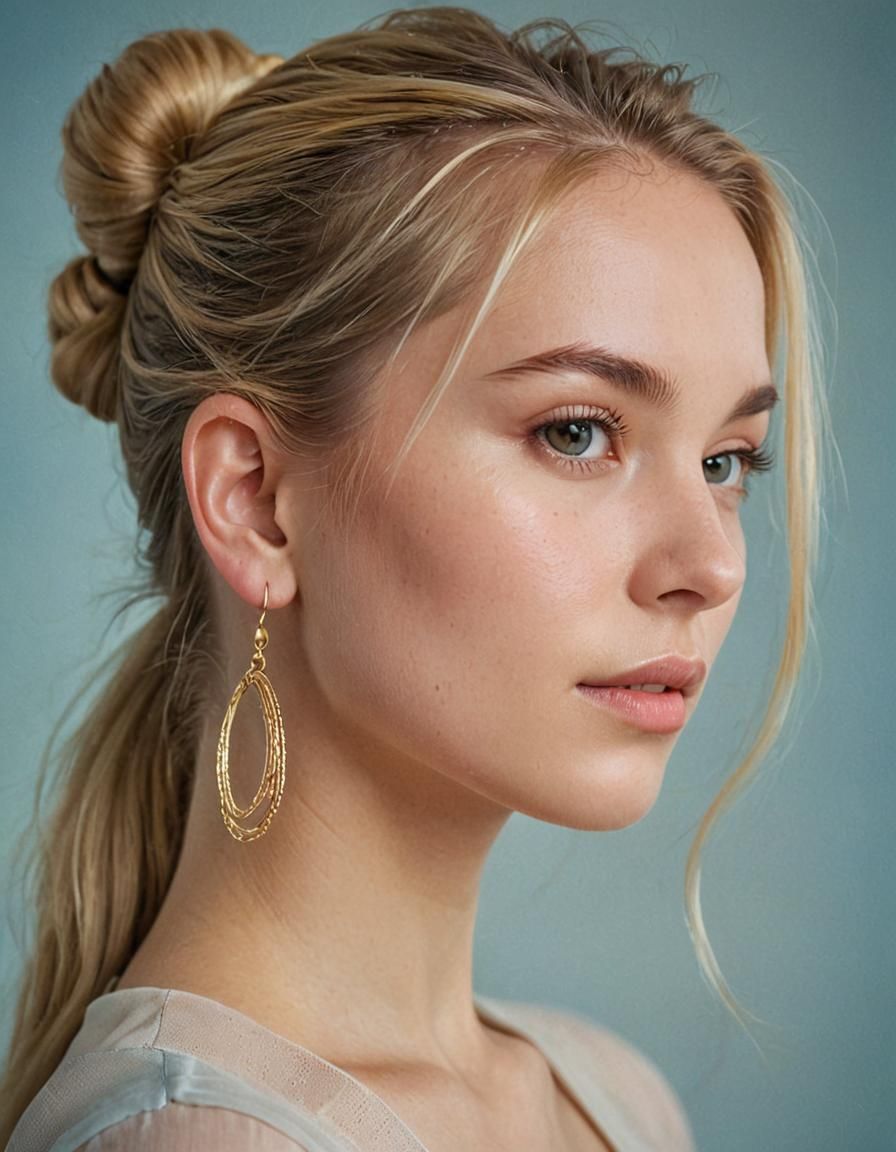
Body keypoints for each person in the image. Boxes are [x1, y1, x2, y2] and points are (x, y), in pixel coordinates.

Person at [1, 6, 827, 1151]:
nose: (711, 564)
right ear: (252, 499)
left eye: (724, 461)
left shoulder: (611, 1100)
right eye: (577, 433)